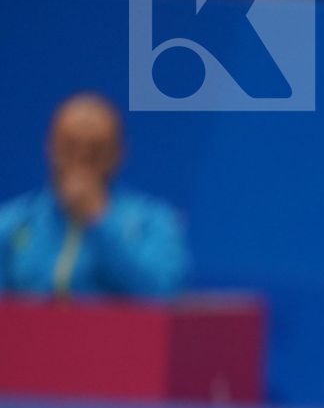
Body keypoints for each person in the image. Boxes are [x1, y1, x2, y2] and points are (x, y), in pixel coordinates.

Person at [0, 93, 188, 297]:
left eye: (95, 151)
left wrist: (98, 219)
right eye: (70, 147)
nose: (81, 159)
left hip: (120, 330)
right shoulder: (13, 222)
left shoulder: (153, 222)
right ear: (50, 147)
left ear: (118, 153)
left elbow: (163, 293)